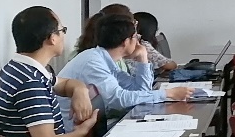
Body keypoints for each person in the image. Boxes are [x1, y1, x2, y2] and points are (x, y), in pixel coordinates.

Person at [0, 6, 99, 137]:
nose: (64, 35)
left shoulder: (20, 68)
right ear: (52, 38)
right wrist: (82, 131)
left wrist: (80, 89)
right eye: (62, 30)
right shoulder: (30, 82)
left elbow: (64, 84)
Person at [60, 14, 194, 113]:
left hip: (89, 127)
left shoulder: (105, 59)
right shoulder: (93, 61)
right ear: (125, 42)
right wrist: (167, 94)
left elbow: (141, 90)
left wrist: (143, 58)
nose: (138, 41)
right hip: (73, 135)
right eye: (135, 37)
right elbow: (119, 99)